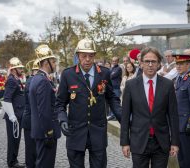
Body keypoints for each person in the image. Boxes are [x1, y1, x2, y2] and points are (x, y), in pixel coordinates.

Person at [56, 38, 122, 168]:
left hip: (98, 132)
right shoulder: (68, 74)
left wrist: (123, 118)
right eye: (84, 56)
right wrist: (62, 120)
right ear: (78, 56)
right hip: (75, 132)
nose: (87, 59)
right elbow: (59, 103)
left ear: (94, 56)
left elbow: (112, 98)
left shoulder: (104, 73)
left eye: (90, 56)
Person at [120, 47, 179, 168]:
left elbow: (173, 115)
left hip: (161, 142)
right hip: (139, 140)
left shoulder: (168, 85)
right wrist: (125, 142)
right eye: (147, 61)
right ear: (141, 63)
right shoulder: (131, 85)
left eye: (154, 61)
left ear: (159, 64)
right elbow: (125, 116)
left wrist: (175, 142)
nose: (150, 65)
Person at [29, 44, 61, 168]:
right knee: (45, 164)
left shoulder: (37, 78)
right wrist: (49, 132)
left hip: (40, 130)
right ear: (46, 63)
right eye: (53, 61)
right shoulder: (43, 81)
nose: (55, 64)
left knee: (42, 162)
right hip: (45, 132)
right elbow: (44, 110)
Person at [2, 57, 25, 168]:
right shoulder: (11, 80)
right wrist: (11, 115)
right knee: (13, 140)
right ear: (14, 69)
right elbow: (6, 99)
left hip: (18, 114)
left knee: (16, 139)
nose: (21, 70)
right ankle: (12, 162)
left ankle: (14, 160)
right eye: (19, 68)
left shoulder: (15, 79)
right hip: (14, 116)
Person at [21, 59, 39, 168]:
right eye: (37, 71)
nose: (38, 73)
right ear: (33, 71)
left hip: (32, 120)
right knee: (31, 149)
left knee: (34, 148)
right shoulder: (31, 81)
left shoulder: (33, 80)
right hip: (30, 120)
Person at [107, 56, 122, 120]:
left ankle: (115, 116)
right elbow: (108, 76)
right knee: (111, 101)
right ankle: (111, 115)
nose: (114, 62)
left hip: (116, 87)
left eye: (115, 61)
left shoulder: (119, 68)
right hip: (111, 87)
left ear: (118, 61)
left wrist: (109, 75)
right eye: (113, 61)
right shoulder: (111, 68)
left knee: (115, 102)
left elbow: (111, 76)